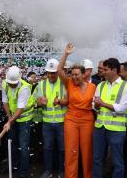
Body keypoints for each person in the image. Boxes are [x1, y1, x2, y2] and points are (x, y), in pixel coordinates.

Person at [57, 43, 96, 178]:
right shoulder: (69, 84)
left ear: (84, 74)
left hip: (87, 120)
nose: (74, 77)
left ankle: (88, 176)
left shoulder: (93, 87)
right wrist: (66, 54)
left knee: (87, 152)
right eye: (72, 74)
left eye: (77, 74)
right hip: (71, 120)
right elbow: (59, 70)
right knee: (71, 151)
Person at [93, 58, 127, 178]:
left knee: (118, 161)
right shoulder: (101, 85)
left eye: (106, 69)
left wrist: (102, 104)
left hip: (117, 130)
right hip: (99, 128)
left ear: (114, 70)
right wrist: (96, 105)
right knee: (97, 159)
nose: (103, 72)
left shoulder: (125, 86)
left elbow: (122, 108)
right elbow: (94, 105)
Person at [2, 66, 35, 178]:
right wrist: (9, 118)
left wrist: (9, 121)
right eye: (10, 83)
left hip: (24, 119)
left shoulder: (24, 88)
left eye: (13, 83)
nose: (11, 85)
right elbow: (5, 102)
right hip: (12, 117)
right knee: (12, 143)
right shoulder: (5, 84)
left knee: (23, 146)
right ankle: (14, 165)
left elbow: (20, 110)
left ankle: (23, 172)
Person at [37, 59, 67, 178]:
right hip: (47, 122)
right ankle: (48, 170)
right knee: (47, 147)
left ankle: (61, 171)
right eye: (49, 72)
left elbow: (69, 101)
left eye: (53, 72)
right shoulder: (41, 84)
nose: (51, 75)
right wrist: (40, 102)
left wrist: (61, 102)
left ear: (58, 72)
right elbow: (37, 101)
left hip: (62, 122)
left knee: (62, 148)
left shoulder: (64, 83)